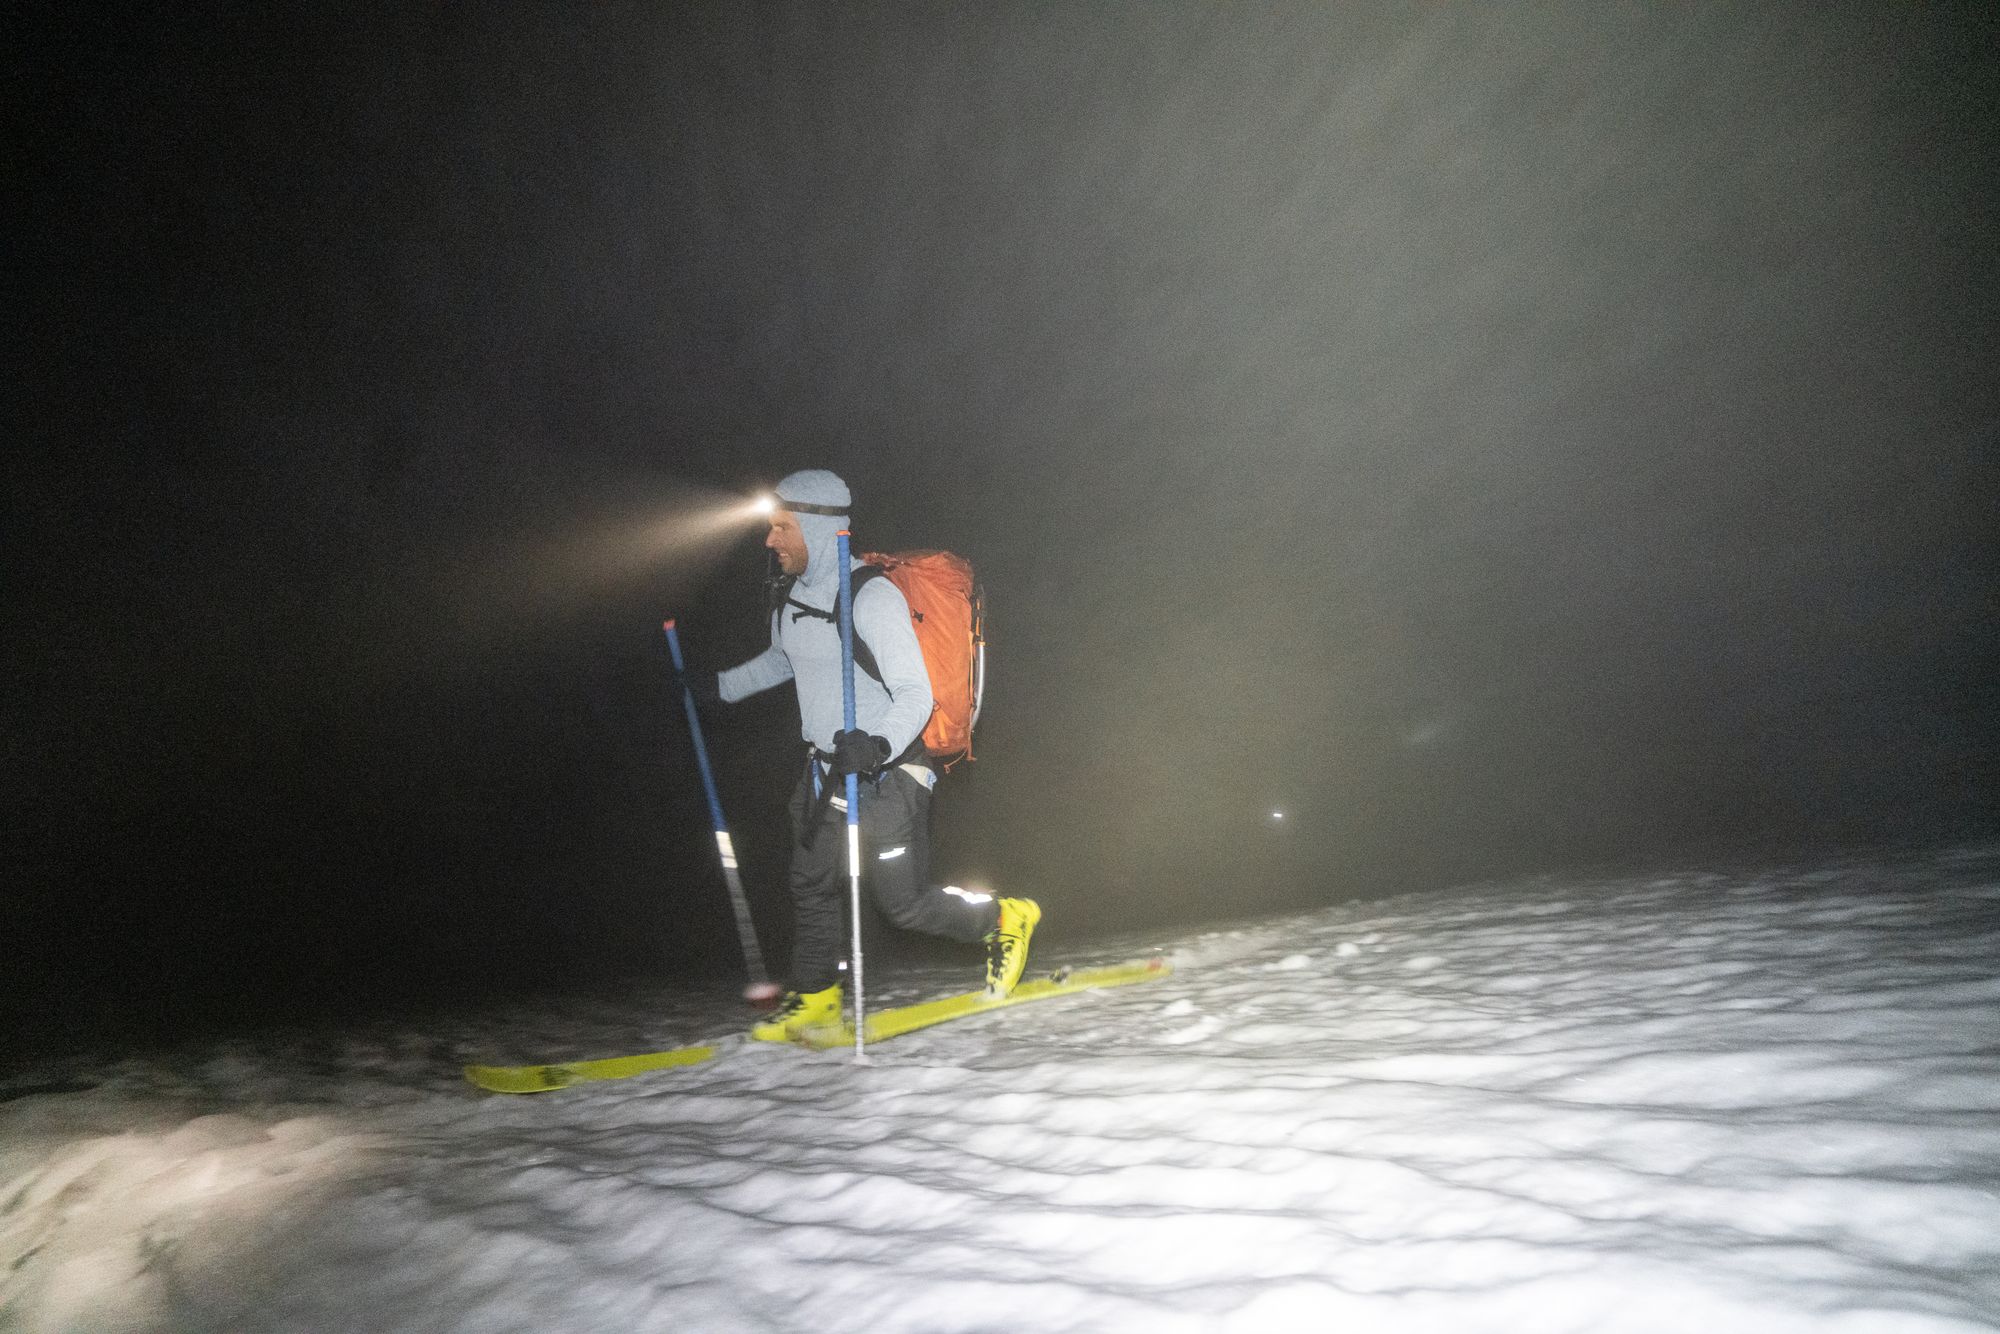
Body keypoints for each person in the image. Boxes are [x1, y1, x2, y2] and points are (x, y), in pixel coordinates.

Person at [690, 469, 1039, 1040]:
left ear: (817, 528)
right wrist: (717, 688)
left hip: (891, 772)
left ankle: (1005, 919)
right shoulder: (792, 598)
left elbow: (916, 694)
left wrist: (875, 745)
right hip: (826, 770)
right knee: (811, 881)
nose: (770, 541)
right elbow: (783, 662)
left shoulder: (872, 596)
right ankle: (817, 998)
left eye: (781, 528)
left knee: (903, 904)